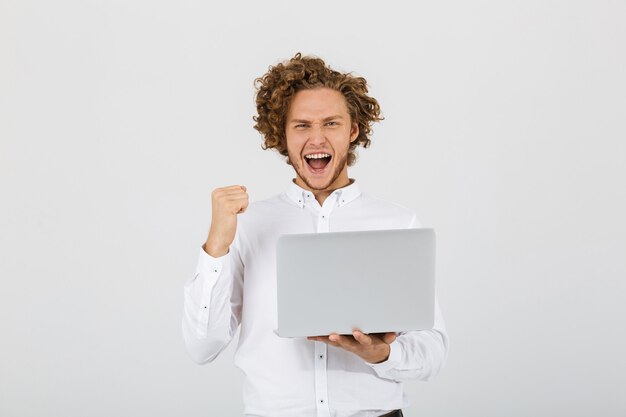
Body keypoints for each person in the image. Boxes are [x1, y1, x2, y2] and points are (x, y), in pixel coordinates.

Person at [182, 53, 449, 417]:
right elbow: (202, 347)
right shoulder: (248, 224)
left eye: (331, 123)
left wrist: (383, 354)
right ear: (283, 134)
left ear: (352, 131)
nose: (317, 138)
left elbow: (432, 351)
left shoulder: (397, 223)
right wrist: (216, 245)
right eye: (302, 125)